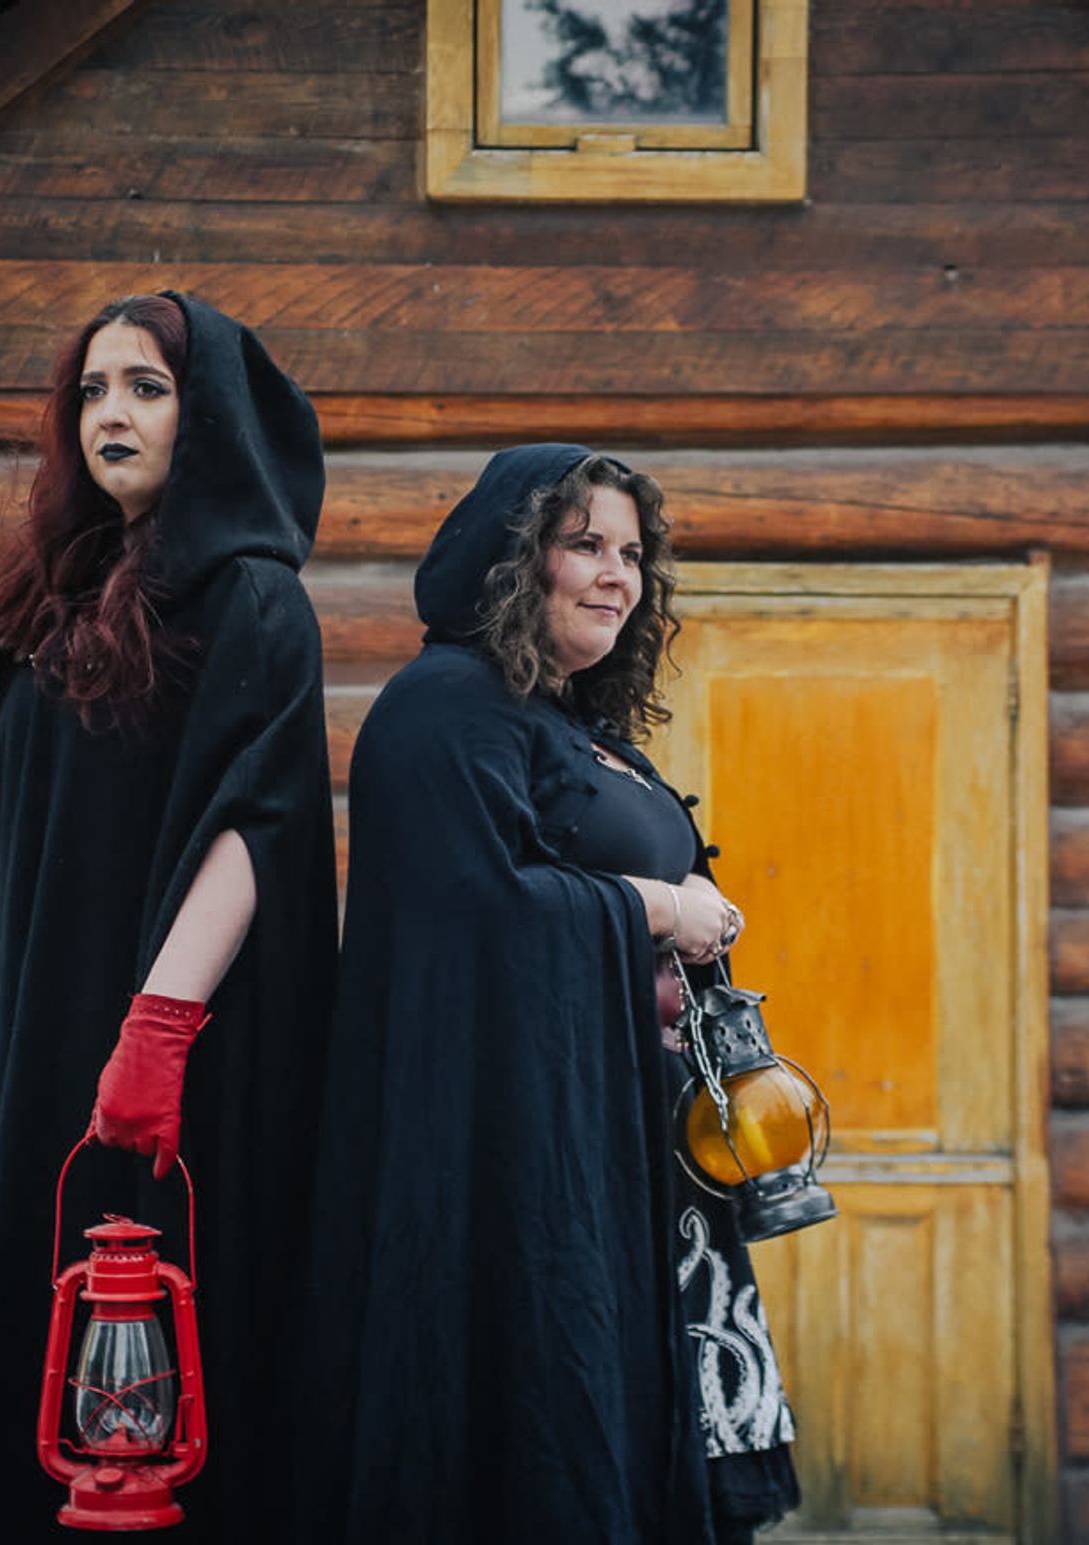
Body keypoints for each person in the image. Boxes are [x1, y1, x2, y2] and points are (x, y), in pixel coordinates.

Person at [298, 444, 800, 1544]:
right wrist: (659, 910)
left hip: (627, 1143)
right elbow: (474, 916)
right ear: (514, 559)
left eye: (631, 553)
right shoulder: (444, 709)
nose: (616, 574)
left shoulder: (570, 721)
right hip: (511, 1161)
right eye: (584, 546)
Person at [0, 293, 337, 1544]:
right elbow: (12, 848)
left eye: (146, 387)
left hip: (151, 1061)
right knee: (8, 1328)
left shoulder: (252, 601)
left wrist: (158, 1027)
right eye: (93, 390)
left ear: (205, 418)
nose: (112, 414)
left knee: (135, 1372)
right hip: (28, 1035)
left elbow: (260, 827)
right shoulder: (66, 594)